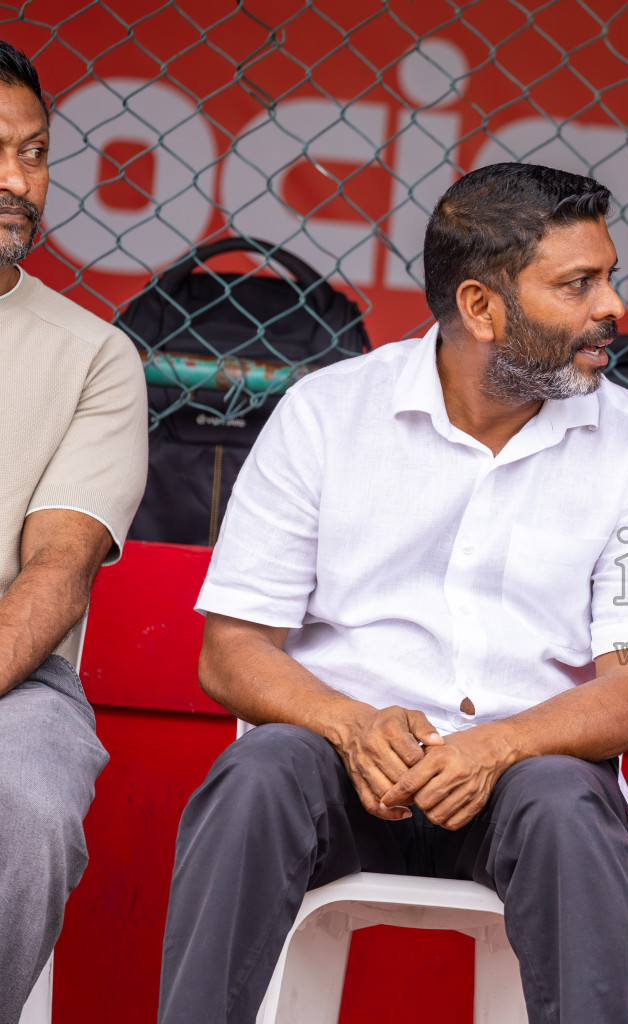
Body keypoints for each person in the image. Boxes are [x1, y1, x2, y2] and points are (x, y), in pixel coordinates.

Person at [157, 163, 628, 1024]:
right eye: (577, 284)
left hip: (525, 779)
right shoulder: (325, 413)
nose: (612, 309)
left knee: (565, 803)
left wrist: (493, 747)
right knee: (258, 771)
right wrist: (350, 723)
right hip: (345, 769)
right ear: (482, 309)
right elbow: (232, 651)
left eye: (609, 278)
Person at [0, 40, 149, 1024]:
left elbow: (58, 569)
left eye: (36, 152)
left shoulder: (95, 355)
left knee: (27, 807)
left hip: (16, 669)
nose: (18, 181)